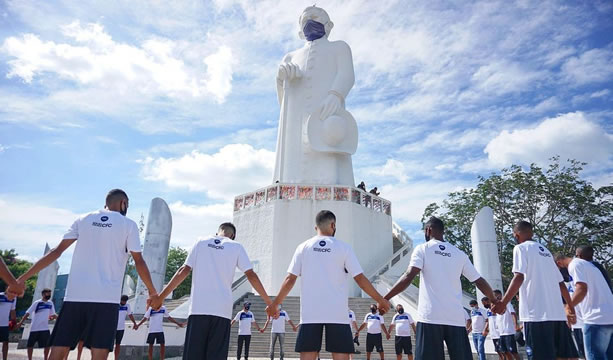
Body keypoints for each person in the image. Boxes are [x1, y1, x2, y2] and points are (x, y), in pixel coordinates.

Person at [266, 210, 390, 360]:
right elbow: (360, 279)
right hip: (337, 314)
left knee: (307, 356)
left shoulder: (303, 247)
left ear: (316, 227)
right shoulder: (344, 248)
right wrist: (380, 299)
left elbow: (290, 279)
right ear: (333, 225)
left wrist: (275, 304)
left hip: (310, 314)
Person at [383, 216, 499, 360]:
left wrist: (385, 298)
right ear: (442, 231)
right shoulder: (459, 254)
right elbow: (479, 280)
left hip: (430, 318)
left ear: (428, 230)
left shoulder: (423, 249)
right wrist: (494, 300)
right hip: (455, 319)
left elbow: (408, 276)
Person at [151, 223, 272, 360]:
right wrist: (269, 302)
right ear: (232, 236)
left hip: (198, 310)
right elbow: (250, 274)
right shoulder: (236, 246)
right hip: (221, 312)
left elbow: (183, 271)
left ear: (217, 232)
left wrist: (160, 297)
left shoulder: (200, 242)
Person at [494, 221, 578, 359]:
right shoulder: (546, 251)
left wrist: (503, 302)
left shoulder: (520, 248)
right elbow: (561, 284)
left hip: (536, 315)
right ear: (531, 232)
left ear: (516, 235)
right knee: (563, 355)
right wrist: (571, 307)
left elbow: (519, 277)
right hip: (556, 315)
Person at [557, 252, 613, 359]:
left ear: (559, 263)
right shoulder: (590, 266)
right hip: (609, 317)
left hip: (596, 319)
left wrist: (569, 307)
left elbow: (581, 288)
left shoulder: (574, 265)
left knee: (595, 356)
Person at [555, 254, 586, 359]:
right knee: (581, 354)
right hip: (577, 324)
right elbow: (564, 304)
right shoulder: (568, 284)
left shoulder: (576, 270)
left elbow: (582, 290)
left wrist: (569, 308)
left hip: (586, 321)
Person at [17, 289, 57, 360]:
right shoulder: (37, 303)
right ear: (43, 294)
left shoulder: (50, 303)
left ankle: (46, 358)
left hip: (45, 328)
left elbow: (53, 315)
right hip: (35, 328)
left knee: (47, 345)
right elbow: (28, 313)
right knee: (30, 345)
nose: (49, 295)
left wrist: (61, 319)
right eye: (48, 293)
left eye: (50, 294)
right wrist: (20, 322)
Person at [492, 290, 520, 360]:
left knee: (513, 351)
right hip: (501, 333)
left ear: (499, 295)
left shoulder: (507, 304)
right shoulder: (496, 306)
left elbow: (513, 314)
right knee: (505, 352)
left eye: (494, 296)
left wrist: (516, 325)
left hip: (509, 332)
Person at [114, 295, 136, 360]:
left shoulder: (127, 306)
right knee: (108, 344)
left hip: (121, 328)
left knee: (118, 344)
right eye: (122, 301)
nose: (123, 303)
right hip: (113, 328)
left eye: (125, 302)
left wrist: (134, 323)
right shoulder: (116, 304)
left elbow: (130, 315)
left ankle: (116, 358)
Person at [0, 290, 16, 360]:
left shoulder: (14, 298)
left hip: (5, 324)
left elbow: (12, 310)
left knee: (6, 342)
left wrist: (14, 322)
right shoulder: (0, 295)